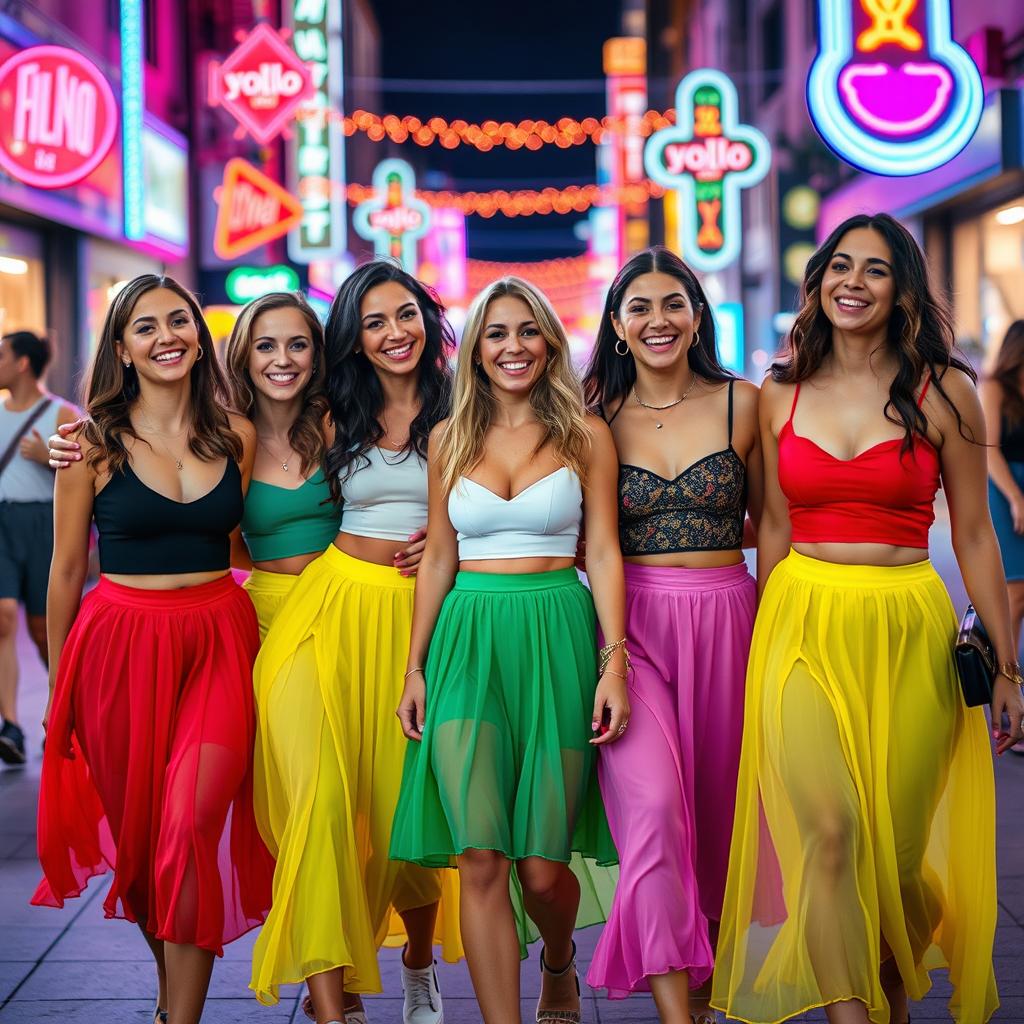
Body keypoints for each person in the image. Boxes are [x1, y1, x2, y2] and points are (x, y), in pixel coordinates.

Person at [712, 213, 1023, 1024]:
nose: (853, 282)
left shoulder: (946, 389)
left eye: (875, 270)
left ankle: (888, 986)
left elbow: (976, 533)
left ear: (903, 290)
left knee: (900, 854)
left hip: (908, 626)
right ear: (816, 282)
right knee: (829, 830)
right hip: (801, 623)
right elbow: (771, 527)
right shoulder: (775, 392)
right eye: (839, 266)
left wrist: (1009, 664)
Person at [32, 275, 274, 1024]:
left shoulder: (235, 433)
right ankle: (173, 995)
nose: (166, 335)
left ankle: (181, 1018)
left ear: (200, 338)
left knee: (188, 826)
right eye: (146, 326)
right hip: (117, 650)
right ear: (124, 348)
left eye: (179, 321)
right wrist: (58, 692)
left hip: (217, 637)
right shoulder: (92, 443)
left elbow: (247, 540)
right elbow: (67, 570)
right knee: (141, 852)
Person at [390, 276, 627, 1024]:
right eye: (496, 333)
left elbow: (607, 552)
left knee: (542, 868)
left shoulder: (586, 433)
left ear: (550, 340)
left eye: (527, 330)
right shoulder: (448, 437)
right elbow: (438, 557)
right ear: (476, 351)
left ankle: (559, 961)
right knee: (482, 856)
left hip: (557, 631)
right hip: (466, 640)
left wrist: (613, 658)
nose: (513, 346)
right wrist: (415, 666)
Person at [249, 261, 461, 1024]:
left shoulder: (463, 405)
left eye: (404, 315)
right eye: (373, 322)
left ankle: (416, 960)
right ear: (354, 338)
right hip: (328, 612)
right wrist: (83, 442)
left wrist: (451, 544)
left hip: (422, 621)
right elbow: (225, 441)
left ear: (426, 319)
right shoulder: (332, 408)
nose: (393, 333)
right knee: (324, 804)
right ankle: (332, 998)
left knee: (408, 808)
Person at [581, 247, 762, 1024]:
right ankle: (676, 1016)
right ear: (618, 325)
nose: (659, 320)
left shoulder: (745, 403)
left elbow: (778, 525)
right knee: (653, 811)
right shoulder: (591, 416)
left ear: (696, 314)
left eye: (673, 304)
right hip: (635, 630)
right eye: (640, 307)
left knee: (723, 822)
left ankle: (711, 997)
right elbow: (569, 526)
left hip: (733, 619)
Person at [0, 330, 77, 765]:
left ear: (23, 363)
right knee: (2, 617)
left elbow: (86, 470)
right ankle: (10, 725)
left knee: (40, 627)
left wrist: (44, 456)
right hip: (2, 522)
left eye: (2, 354)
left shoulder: (61, 414)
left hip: (45, 525)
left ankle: (62, 704)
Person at [980, 320, 1024, 756]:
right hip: (1006, 490)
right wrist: (1015, 498)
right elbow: (989, 449)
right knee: (1013, 596)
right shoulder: (995, 387)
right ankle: (1006, 694)